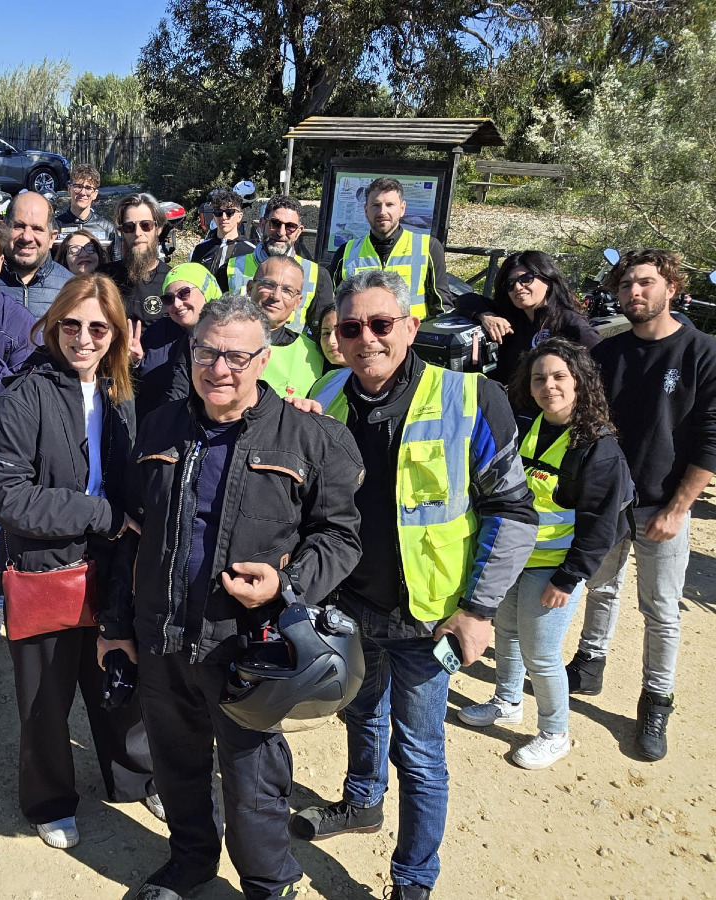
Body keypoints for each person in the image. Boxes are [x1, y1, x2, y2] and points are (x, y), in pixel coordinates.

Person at [107, 293, 364, 900]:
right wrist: (117, 624)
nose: (219, 369)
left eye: (236, 357)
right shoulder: (161, 424)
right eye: (206, 353)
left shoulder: (310, 437)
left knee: (253, 782)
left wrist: (287, 585)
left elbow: (341, 537)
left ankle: (269, 882)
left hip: (250, 649)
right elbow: (130, 532)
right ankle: (191, 863)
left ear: (265, 358)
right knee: (177, 766)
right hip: (164, 634)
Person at [290, 270, 536, 900]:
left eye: (381, 324)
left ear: (411, 327)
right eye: (350, 328)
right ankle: (362, 804)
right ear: (336, 338)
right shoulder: (328, 391)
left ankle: (413, 881)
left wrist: (479, 611)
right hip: (351, 606)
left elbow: (513, 511)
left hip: (432, 618)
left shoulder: (472, 399)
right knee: (361, 715)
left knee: (421, 756)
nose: (367, 338)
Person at [0, 273, 158, 851]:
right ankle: (49, 797)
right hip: (47, 564)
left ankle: (134, 776)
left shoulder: (122, 394)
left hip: (113, 566)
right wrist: (99, 514)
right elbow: (5, 496)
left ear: (117, 334)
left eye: (98, 327)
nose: (84, 338)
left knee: (120, 677)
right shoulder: (23, 395)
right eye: (71, 325)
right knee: (45, 696)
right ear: (53, 326)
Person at [564, 249, 716, 761]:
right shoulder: (608, 353)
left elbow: (711, 441)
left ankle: (656, 699)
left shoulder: (702, 352)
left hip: (662, 503)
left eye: (646, 283)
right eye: (627, 284)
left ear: (672, 287)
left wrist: (678, 508)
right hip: (609, 502)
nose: (635, 292)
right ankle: (589, 663)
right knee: (600, 587)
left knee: (662, 610)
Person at [458, 338, 632, 769]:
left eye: (559, 376)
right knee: (508, 633)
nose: (548, 386)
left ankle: (555, 732)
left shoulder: (598, 448)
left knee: (541, 652)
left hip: (554, 568)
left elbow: (600, 527)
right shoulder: (528, 424)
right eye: (539, 378)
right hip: (515, 559)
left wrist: (568, 579)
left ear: (579, 383)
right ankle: (507, 700)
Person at [455, 250, 600, 385]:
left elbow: (603, 359)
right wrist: (485, 316)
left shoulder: (568, 322)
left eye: (526, 279)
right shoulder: (510, 319)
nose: (518, 287)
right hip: (509, 405)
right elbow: (465, 300)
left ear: (547, 281)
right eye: (510, 284)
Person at [330, 177, 449, 319]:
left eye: (390, 205)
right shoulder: (346, 252)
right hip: (362, 337)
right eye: (376, 205)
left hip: (411, 338)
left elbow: (441, 306)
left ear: (402, 209)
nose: (382, 212)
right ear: (366, 210)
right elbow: (331, 305)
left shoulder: (428, 248)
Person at [129, 262, 222, 421]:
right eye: (168, 298)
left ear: (205, 290)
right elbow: (137, 386)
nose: (177, 304)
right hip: (154, 430)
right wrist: (133, 363)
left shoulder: (226, 334)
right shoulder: (156, 332)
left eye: (184, 293)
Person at [225, 194, 331, 333]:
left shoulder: (317, 275)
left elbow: (324, 332)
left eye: (290, 227)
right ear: (262, 224)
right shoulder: (231, 267)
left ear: (299, 232)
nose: (281, 232)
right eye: (275, 223)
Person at [248, 255, 328, 399]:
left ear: (297, 302)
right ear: (250, 288)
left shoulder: (314, 355)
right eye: (268, 284)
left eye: (287, 291)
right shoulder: (219, 339)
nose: (276, 296)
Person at [0, 190, 72, 319]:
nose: (27, 237)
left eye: (37, 229)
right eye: (19, 226)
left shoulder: (70, 288)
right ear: (3, 229)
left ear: (52, 238)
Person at [100, 192, 172, 325]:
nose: (138, 233)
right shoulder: (103, 278)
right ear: (121, 231)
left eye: (146, 225)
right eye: (129, 227)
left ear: (158, 229)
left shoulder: (172, 281)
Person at [190, 188, 255, 291]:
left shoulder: (251, 251)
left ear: (239, 216)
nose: (224, 217)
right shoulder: (200, 249)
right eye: (218, 212)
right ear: (213, 217)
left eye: (230, 212)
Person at [55, 164, 117, 245]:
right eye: (78, 187)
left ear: (95, 194)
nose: (83, 193)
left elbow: (116, 257)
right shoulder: (55, 226)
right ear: (69, 189)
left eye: (88, 188)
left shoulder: (107, 228)